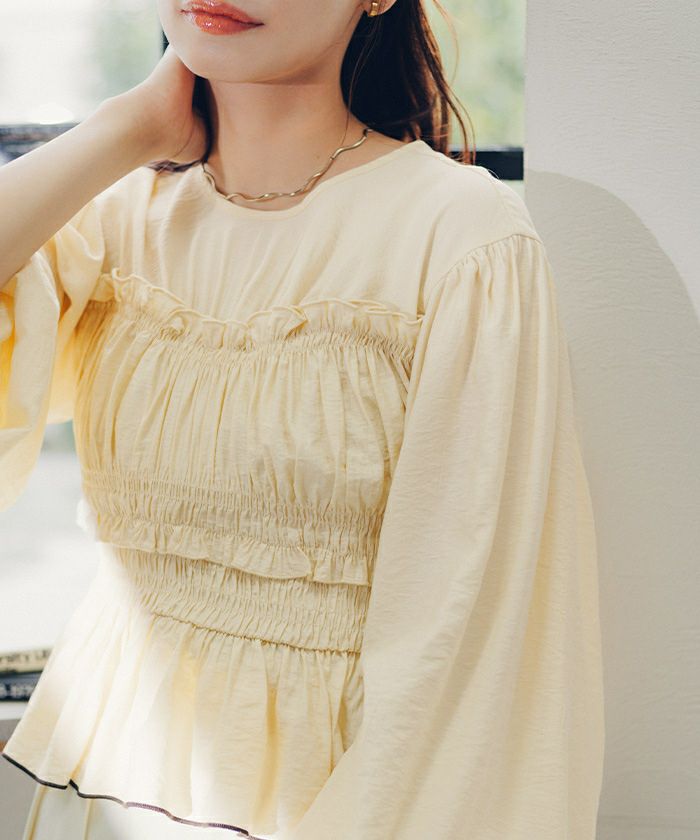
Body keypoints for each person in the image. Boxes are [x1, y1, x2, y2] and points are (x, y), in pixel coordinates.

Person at [0, 0, 606, 838]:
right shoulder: (116, 215)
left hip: (334, 800)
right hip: (103, 779)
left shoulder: (463, 239)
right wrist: (125, 127)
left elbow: (470, 640)